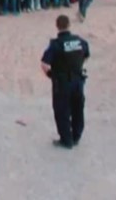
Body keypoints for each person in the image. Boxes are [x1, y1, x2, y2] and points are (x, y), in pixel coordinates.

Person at [40, 15, 90, 149]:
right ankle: (76, 136)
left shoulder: (56, 44)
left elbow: (44, 64)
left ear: (57, 26)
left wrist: (52, 75)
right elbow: (86, 54)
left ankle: (66, 139)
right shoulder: (79, 41)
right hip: (78, 80)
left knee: (62, 110)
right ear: (69, 25)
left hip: (62, 82)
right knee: (78, 109)